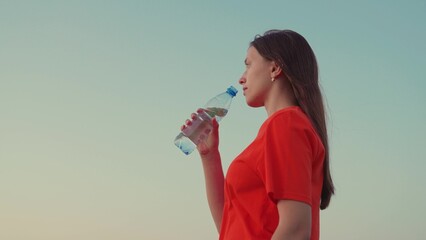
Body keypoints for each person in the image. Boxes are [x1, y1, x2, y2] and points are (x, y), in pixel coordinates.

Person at [181, 29, 334, 240]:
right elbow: (230, 224)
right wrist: (209, 155)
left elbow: (296, 229)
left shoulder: (286, 124)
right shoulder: (279, 129)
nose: (241, 78)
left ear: (275, 67)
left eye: (248, 64)